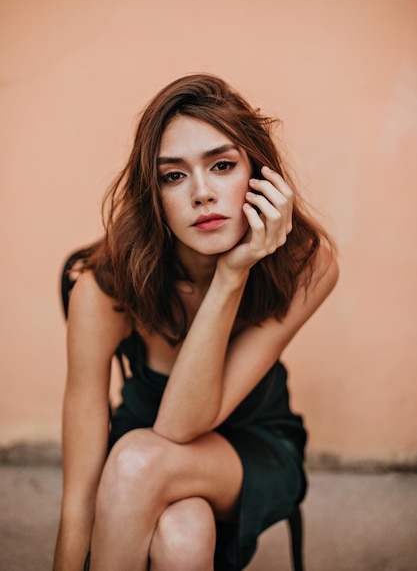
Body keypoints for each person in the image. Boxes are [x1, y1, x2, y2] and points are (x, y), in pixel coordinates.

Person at [53, 73, 339, 571]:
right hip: (138, 444)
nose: (202, 193)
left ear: (260, 174)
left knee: (140, 460)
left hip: (251, 449)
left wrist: (232, 275)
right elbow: (78, 496)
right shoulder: (103, 288)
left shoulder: (307, 264)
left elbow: (182, 425)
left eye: (223, 165)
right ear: (154, 195)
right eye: (174, 175)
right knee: (182, 534)